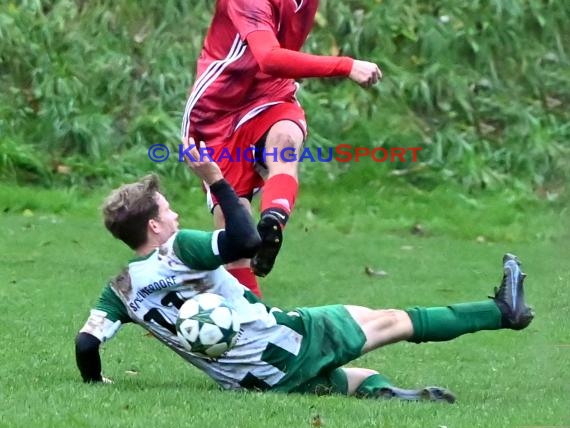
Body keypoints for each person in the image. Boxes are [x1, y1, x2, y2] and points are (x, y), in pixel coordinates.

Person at [75, 142, 534, 400]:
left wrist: (96, 381)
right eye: (169, 211)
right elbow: (245, 242)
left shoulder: (120, 290)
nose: (175, 216)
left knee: (347, 377)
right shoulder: (179, 248)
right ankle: (501, 311)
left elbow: (86, 342)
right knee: (394, 319)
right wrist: (216, 179)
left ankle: (392, 395)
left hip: (248, 382)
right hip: (283, 342)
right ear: (154, 225)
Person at [180, 0, 383, 295]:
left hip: (268, 94)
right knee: (235, 234)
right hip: (217, 111)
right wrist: (345, 65)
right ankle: (251, 330)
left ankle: (273, 220)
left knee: (286, 140)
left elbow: (276, 68)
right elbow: (269, 57)